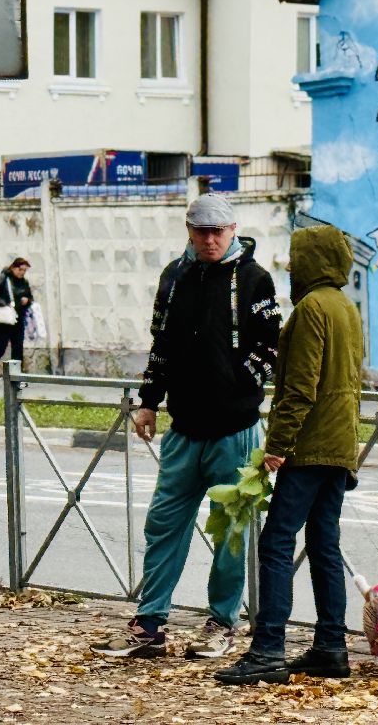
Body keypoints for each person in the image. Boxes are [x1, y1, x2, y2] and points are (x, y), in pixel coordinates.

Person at [91, 194, 280, 661]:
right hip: (183, 429)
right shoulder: (174, 278)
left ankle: (222, 623)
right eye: (201, 231)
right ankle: (150, 623)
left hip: (235, 432)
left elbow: (272, 345)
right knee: (164, 524)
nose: (210, 239)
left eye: (218, 231)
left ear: (234, 229)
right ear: (189, 231)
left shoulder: (255, 279)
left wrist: (241, 383)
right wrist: (149, 402)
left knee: (232, 533)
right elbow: (162, 343)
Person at [216, 224, 363, 686]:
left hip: (310, 445)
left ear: (312, 262)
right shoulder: (346, 307)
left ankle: (268, 650)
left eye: (297, 259)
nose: (292, 267)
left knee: (277, 541)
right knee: (324, 544)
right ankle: (330, 647)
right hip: (340, 445)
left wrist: (277, 447)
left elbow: (298, 388)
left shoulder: (310, 310)